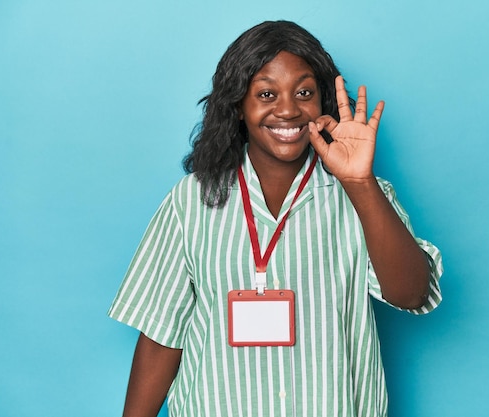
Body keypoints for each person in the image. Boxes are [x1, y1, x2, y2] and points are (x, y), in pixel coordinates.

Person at [108, 20, 443, 417]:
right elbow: (162, 336)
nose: (287, 109)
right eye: (267, 93)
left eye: (304, 92)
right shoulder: (192, 201)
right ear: (237, 106)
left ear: (323, 104)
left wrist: (359, 182)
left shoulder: (365, 195)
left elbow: (412, 294)